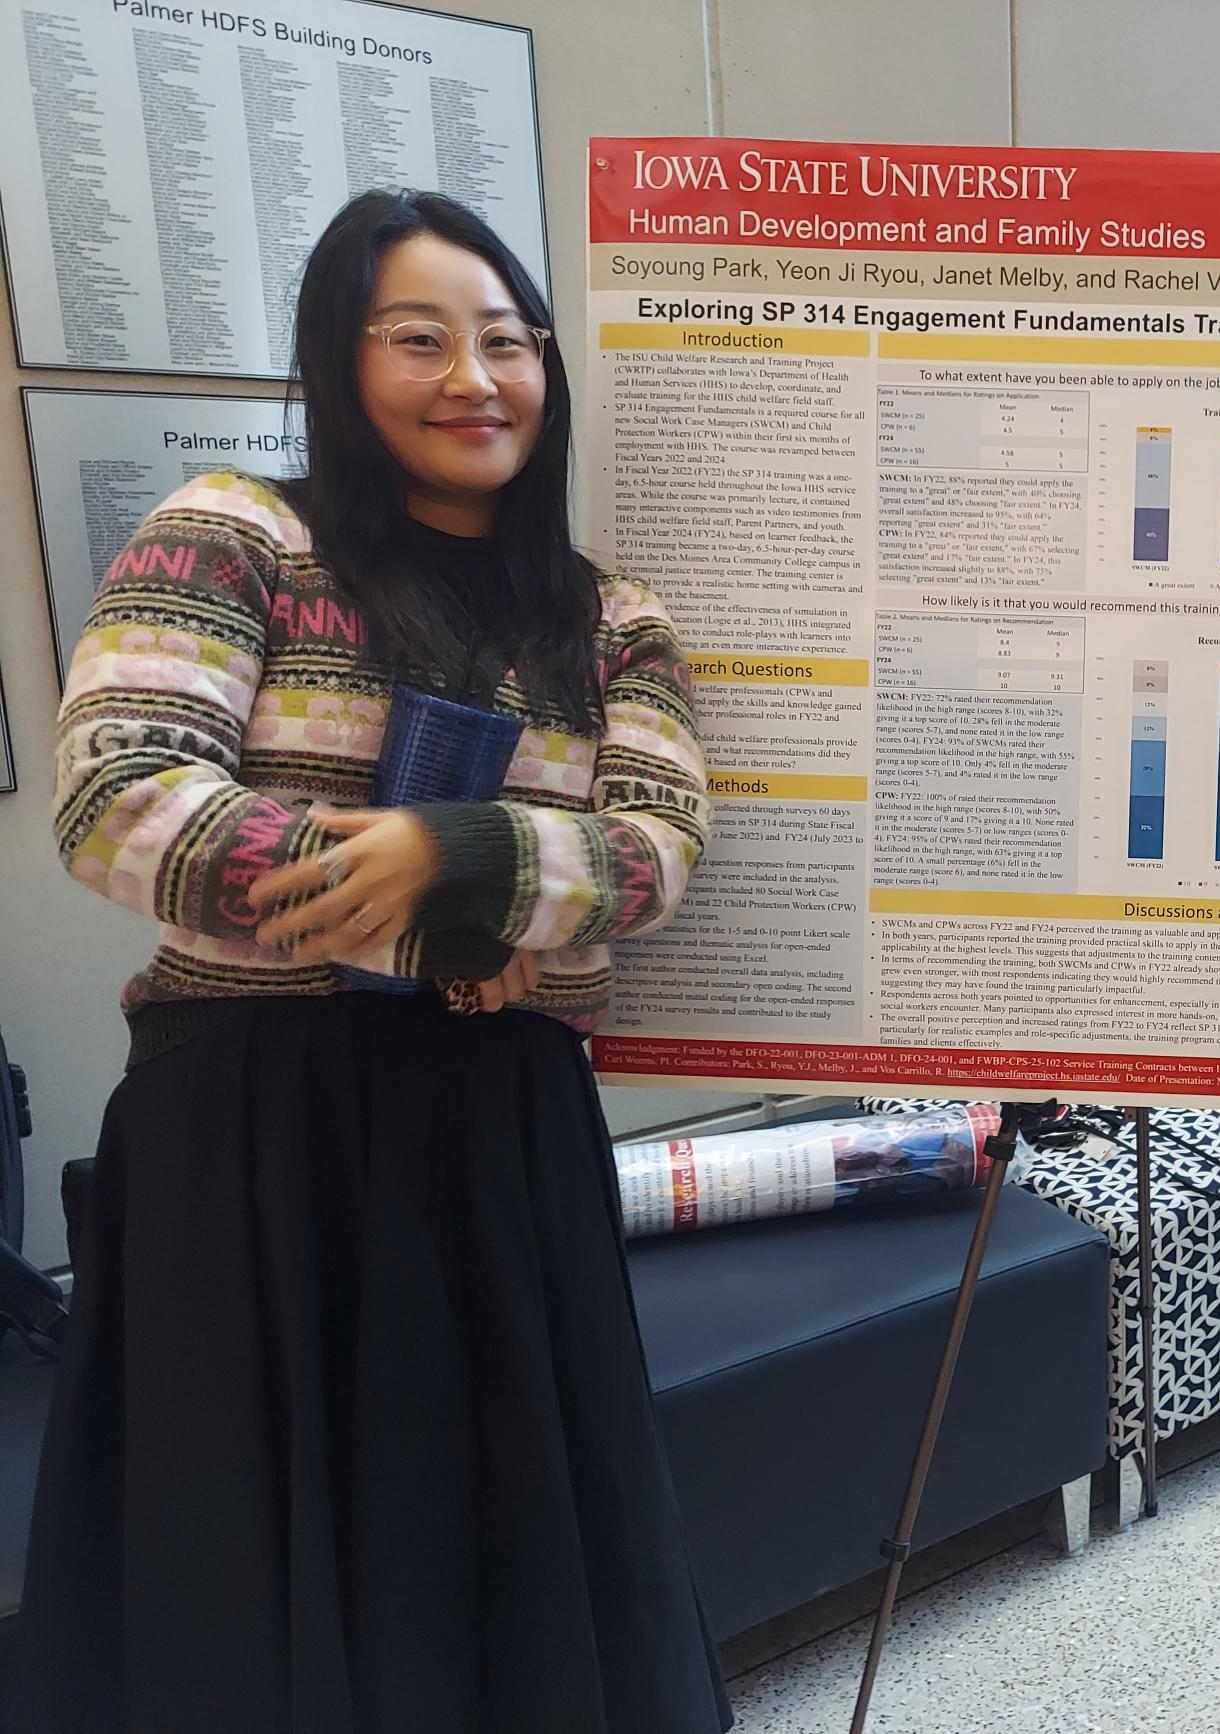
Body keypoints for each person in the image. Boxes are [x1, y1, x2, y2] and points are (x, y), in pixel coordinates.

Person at [17, 189, 731, 1733]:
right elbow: (120, 796)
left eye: (507, 339)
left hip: (503, 1131)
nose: (475, 377)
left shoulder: (608, 615)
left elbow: (658, 847)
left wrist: (464, 863)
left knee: (521, 1526)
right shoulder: (234, 533)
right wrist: (420, 889)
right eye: (419, 339)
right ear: (340, 364)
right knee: (251, 1541)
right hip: (252, 1132)